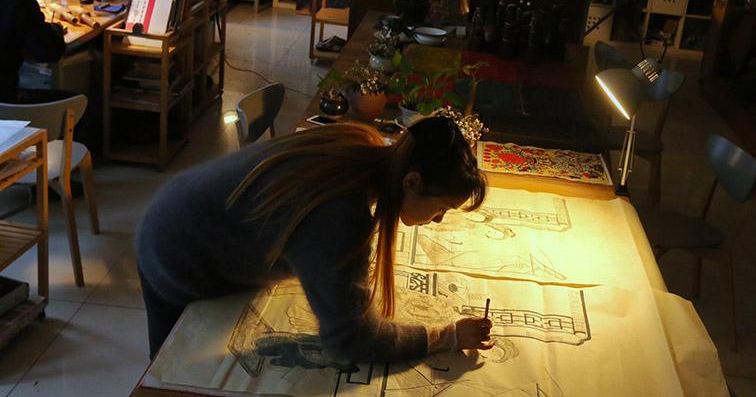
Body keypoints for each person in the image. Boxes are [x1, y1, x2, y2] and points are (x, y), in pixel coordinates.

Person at [135, 116, 493, 361]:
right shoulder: (340, 215)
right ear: (412, 182)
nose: (438, 220)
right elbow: (350, 339)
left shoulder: (363, 142)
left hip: (177, 213)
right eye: (442, 208)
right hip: (175, 254)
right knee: (171, 369)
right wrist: (444, 338)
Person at [0, 0, 66, 104]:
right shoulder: (20, 0)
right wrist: (55, 30)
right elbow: (49, 52)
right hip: (5, 102)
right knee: (80, 104)